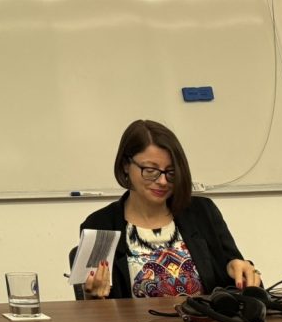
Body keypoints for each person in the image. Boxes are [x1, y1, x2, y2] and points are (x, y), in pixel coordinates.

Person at [79, 119, 260, 299]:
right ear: (126, 165)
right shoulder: (100, 225)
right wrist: (94, 296)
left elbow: (241, 281)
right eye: (150, 170)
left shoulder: (202, 213)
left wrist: (236, 268)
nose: (163, 181)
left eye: (171, 172)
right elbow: (91, 310)